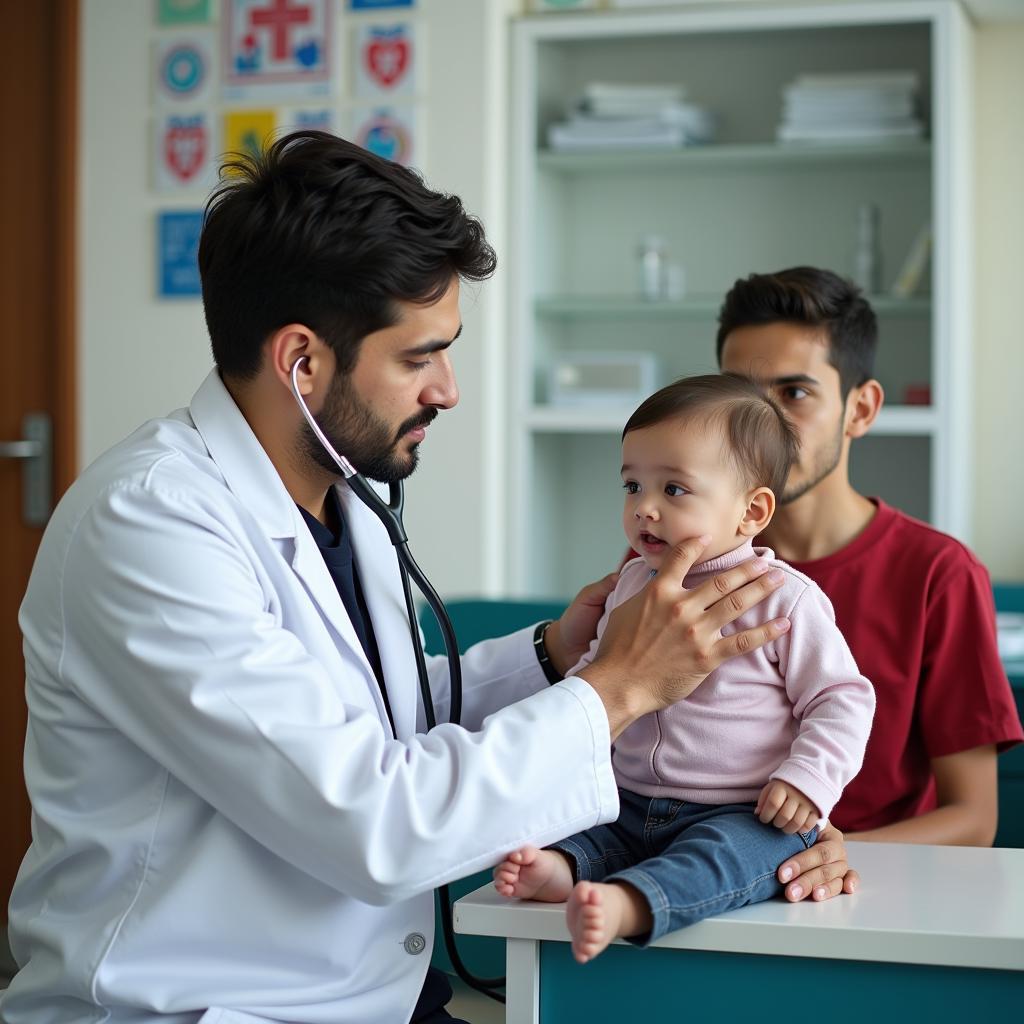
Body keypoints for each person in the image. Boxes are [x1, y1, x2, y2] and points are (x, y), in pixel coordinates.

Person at [0, 133, 842, 1024]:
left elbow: (369, 721)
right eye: (418, 358)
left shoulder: (343, 497)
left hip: (371, 996)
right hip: (203, 1008)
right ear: (303, 362)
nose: (448, 389)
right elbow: (371, 819)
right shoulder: (150, 525)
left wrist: (556, 656)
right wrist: (617, 689)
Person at [494, 374, 875, 963]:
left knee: (724, 856)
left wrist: (809, 780)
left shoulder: (785, 599)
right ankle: (564, 872)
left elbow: (842, 698)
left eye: (674, 489)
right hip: (629, 797)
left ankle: (634, 904)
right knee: (582, 830)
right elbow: (597, 674)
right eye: (632, 485)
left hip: (743, 808)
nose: (643, 508)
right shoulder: (630, 586)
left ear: (752, 510)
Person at [717, 266, 1023, 856]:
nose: (759, 425)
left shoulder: (939, 574)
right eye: (739, 394)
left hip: (870, 896)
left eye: (794, 393)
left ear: (861, 409)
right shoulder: (679, 555)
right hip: (692, 879)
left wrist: (828, 858)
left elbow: (973, 818)